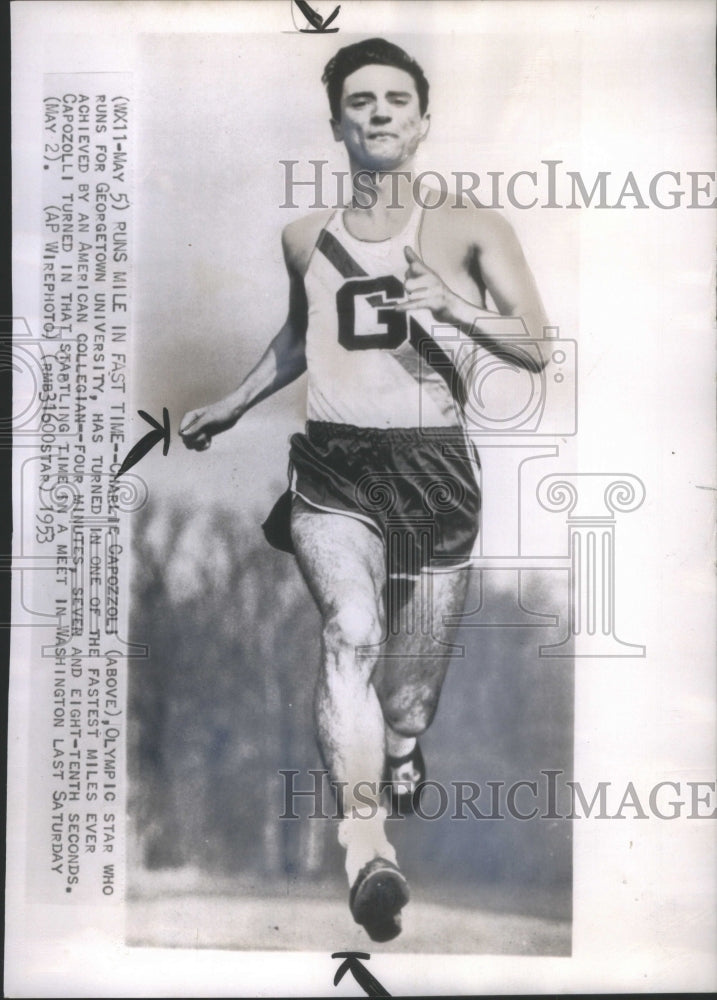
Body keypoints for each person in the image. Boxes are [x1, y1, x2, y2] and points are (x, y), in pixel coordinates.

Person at [179, 37, 548, 942]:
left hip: (433, 474)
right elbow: (301, 338)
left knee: (408, 700)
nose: (377, 113)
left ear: (423, 121)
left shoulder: (471, 229)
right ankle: (365, 849)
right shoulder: (304, 236)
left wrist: (454, 308)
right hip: (334, 467)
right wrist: (231, 403)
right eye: (359, 101)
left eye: (395, 100)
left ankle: (407, 749)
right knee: (350, 632)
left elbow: (537, 345)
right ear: (336, 121)